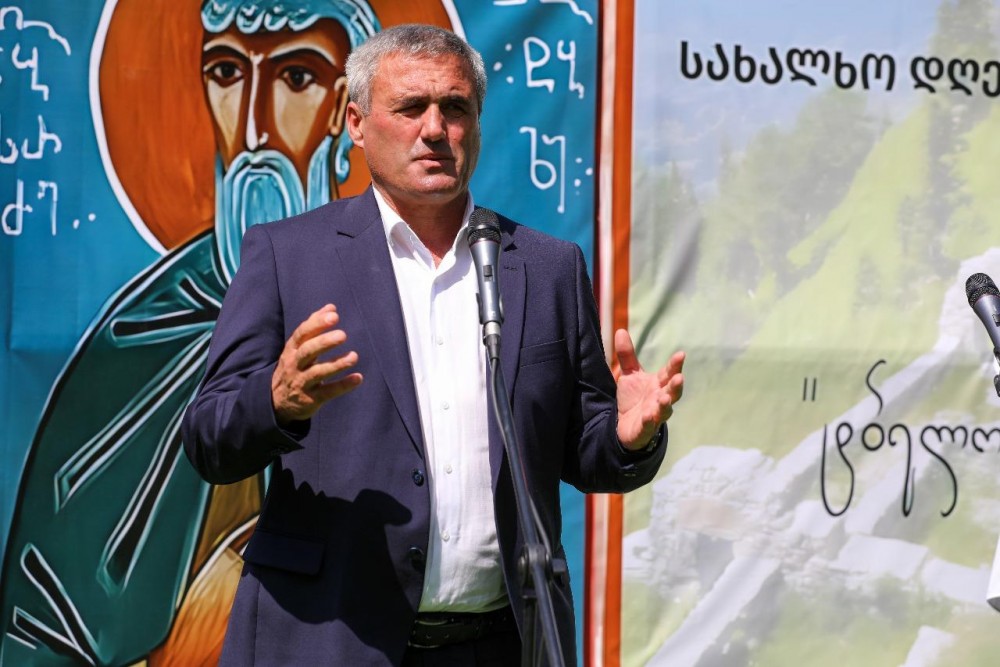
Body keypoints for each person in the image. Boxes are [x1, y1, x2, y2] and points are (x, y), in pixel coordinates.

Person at [181, 22, 686, 666]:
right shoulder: (287, 256)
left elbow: (584, 453)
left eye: (454, 108)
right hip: (330, 639)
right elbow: (209, 440)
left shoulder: (547, 266)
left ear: (476, 124)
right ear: (356, 122)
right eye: (410, 107)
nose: (434, 129)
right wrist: (274, 403)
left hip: (501, 646)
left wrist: (626, 437)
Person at [0, 2, 380, 665]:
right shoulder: (143, 332)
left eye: (295, 78)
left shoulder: (401, 297)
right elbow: (46, 621)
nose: (254, 128)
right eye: (228, 73)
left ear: (342, 112)